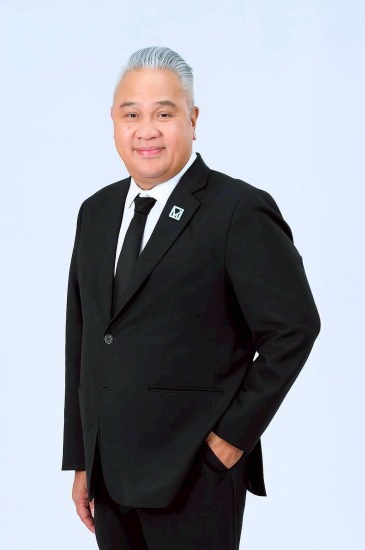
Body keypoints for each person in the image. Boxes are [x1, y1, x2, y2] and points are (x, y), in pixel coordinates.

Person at [62, 46, 320, 549]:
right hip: (109, 476)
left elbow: (294, 329)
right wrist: (81, 458)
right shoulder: (95, 213)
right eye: (131, 115)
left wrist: (232, 440)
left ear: (193, 120)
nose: (146, 130)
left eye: (164, 114)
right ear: (113, 122)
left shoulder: (238, 210)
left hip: (193, 474)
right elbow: (84, 340)